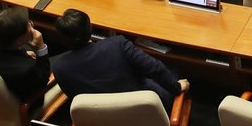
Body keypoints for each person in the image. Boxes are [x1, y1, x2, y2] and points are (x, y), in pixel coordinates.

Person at [52, 8, 187, 111]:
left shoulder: (59, 69)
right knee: (172, 71)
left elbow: (77, 99)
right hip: (147, 110)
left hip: (101, 121)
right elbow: (155, 69)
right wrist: (177, 87)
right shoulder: (117, 44)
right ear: (89, 28)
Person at [0, 6, 50, 102]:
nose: (31, 25)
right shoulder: (26, 70)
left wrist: (23, 52)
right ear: (18, 41)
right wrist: (41, 48)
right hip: (24, 102)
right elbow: (43, 80)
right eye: (28, 25)